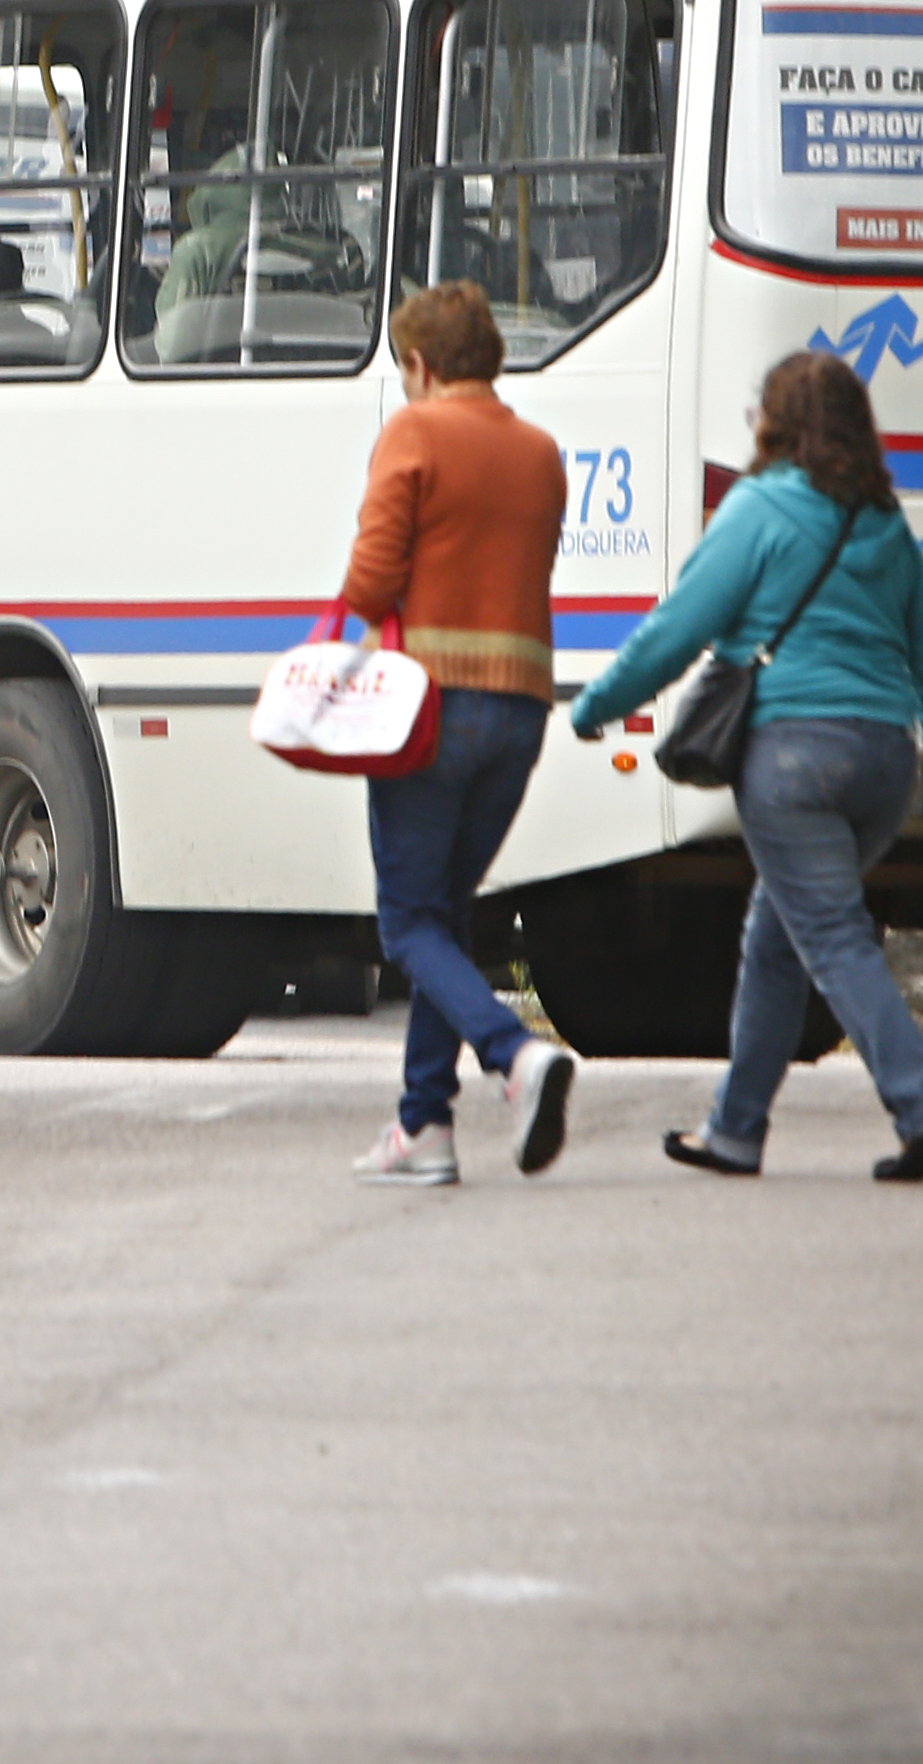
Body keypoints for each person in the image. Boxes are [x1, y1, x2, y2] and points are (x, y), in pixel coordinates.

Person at [568, 349, 923, 1182]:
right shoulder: (885, 525)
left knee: (828, 932)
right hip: (881, 768)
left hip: (793, 762)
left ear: (775, 424)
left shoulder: (757, 509)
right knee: (778, 936)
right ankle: (735, 1129)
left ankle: (922, 1102)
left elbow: (679, 626)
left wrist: (598, 703)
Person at [339, 279, 577, 1187]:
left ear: (422, 365)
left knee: (406, 923)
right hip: (520, 709)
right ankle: (423, 1128)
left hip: (428, 709)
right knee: (446, 913)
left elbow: (369, 584)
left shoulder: (416, 432)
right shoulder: (541, 452)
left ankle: (514, 1057)